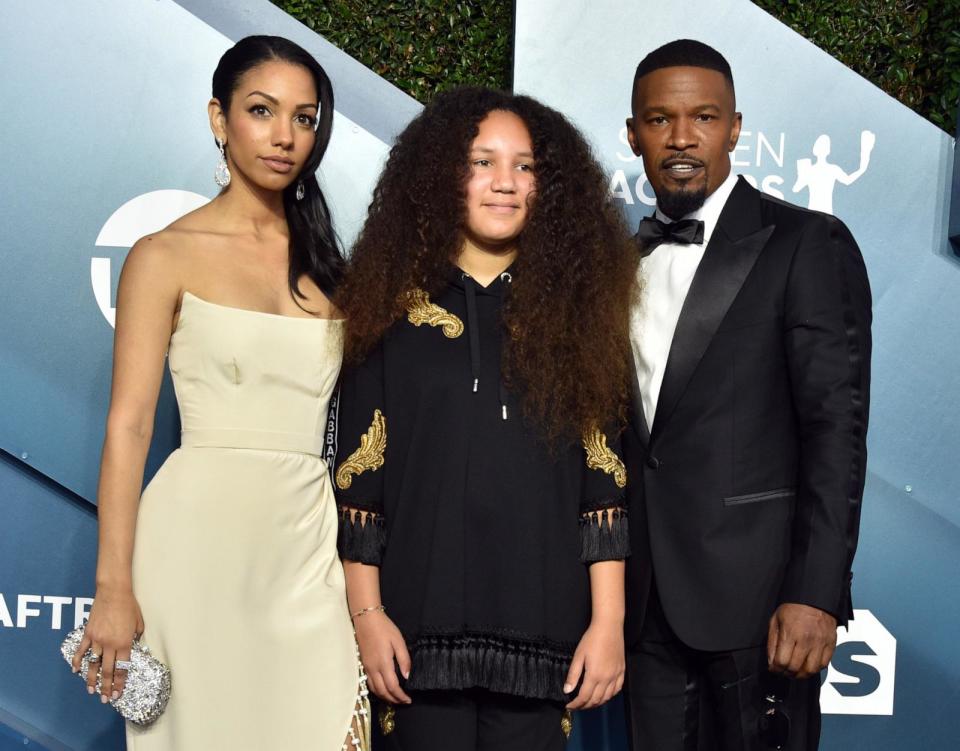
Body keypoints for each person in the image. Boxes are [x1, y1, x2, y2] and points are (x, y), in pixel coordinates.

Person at [72, 36, 369, 750]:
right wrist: (113, 584)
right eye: (262, 111)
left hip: (305, 545)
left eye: (305, 118)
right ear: (219, 117)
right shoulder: (162, 255)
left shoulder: (331, 265)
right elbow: (130, 426)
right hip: (194, 547)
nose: (284, 135)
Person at [332, 87, 638, 751]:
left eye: (525, 166)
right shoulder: (387, 305)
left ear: (548, 184)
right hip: (413, 643)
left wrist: (608, 621)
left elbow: (603, 489)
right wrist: (367, 614)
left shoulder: (580, 316)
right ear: (442, 173)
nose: (505, 182)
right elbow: (359, 488)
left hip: (544, 638)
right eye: (482, 162)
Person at [620, 40, 871, 750]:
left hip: (763, 606)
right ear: (633, 133)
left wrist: (815, 592)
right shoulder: (616, 261)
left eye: (703, 117)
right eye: (660, 119)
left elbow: (836, 433)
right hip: (645, 610)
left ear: (735, 128)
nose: (681, 138)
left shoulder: (806, 242)